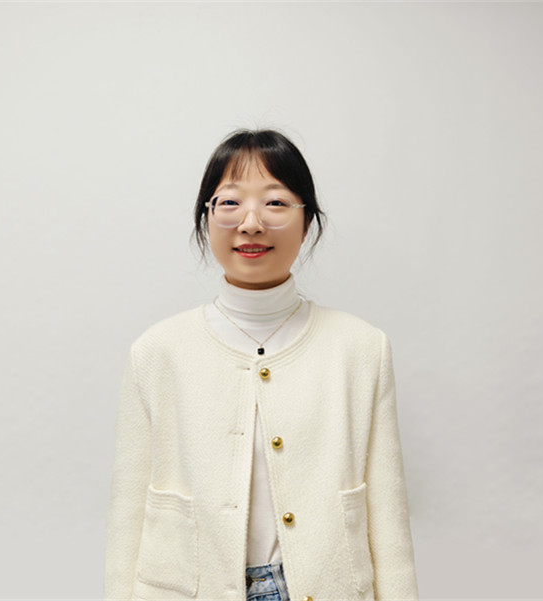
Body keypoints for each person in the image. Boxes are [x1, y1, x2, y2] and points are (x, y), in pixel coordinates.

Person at [104, 129, 419, 601]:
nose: (250, 223)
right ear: (206, 220)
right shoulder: (157, 351)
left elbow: (388, 519)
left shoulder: (361, 348)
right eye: (230, 203)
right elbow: (128, 521)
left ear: (307, 222)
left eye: (275, 203)